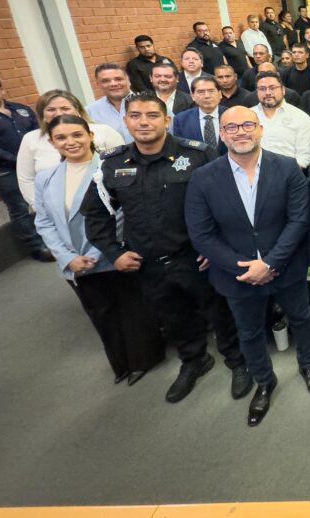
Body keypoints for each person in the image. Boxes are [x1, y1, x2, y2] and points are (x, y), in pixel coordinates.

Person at [81, 94, 249, 404]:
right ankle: (194, 360)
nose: (143, 122)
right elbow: (96, 215)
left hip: (198, 258)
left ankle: (237, 360)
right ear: (126, 122)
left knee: (220, 312)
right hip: (148, 263)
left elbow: (227, 202)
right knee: (173, 316)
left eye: (152, 115)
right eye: (135, 116)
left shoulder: (197, 154)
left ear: (167, 120)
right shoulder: (113, 164)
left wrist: (216, 247)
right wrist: (114, 253)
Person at [185, 106, 310, 427]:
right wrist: (244, 267)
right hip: (238, 276)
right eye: (232, 127)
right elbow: (201, 234)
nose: (241, 132)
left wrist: (271, 262)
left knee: (301, 318)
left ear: (259, 129)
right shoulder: (203, 177)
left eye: (248, 125)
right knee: (248, 332)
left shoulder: (287, 167)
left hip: (285, 268)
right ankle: (264, 380)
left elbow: (299, 219)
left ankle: (308, 365)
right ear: (222, 134)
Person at [34, 114, 165, 386]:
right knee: (101, 312)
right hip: (74, 261)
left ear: (90, 136)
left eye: (77, 135)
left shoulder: (112, 167)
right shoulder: (45, 178)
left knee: (131, 309)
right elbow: (44, 222)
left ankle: (143, 359)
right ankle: (121, 363)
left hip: (113, 254)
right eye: (61, 137)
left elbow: (125, 213)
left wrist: (102, 252)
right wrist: (67, 257)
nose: (71, 142)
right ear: (52, 142)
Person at [0, 74, 53, 261]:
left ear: (1, 90)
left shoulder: (21, 109)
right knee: (21, 207)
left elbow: (38, 134)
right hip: (3, 170)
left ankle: (53, 238)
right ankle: (37, 247)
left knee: (45, 199)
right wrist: (19, 161)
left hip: (33, 165)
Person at [17, 90, 124, 205]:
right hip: (56, 207)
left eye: (65, 108)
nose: (58, 113)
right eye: (51, 109)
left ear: (78, 111)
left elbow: (123, 165)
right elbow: (26, 179)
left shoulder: (104, 131)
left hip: (107, 203)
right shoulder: (30, 139)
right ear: (42, 115)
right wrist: (41, 206)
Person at [250, 73, 310, 169]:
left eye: (272, 88)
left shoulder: (300, 117)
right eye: (262, 89)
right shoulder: (247, 116)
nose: (267, 93)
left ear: (283, 90)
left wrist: (285, 173)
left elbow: (304, 157)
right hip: (251, 173)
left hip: (289, 173)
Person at [172, 76, 226, 154]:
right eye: (201, 92)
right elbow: (179, 149)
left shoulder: (233, 115)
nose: (207, 96)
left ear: (220, 94)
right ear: (192, 96)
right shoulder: (181, 119)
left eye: (211, 91)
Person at [87, 64, 134, 142]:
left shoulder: (151, 104)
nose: (113, 84)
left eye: (118, 79)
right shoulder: (90, 112)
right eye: (106, 81)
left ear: (128, 81)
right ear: (98, 85)